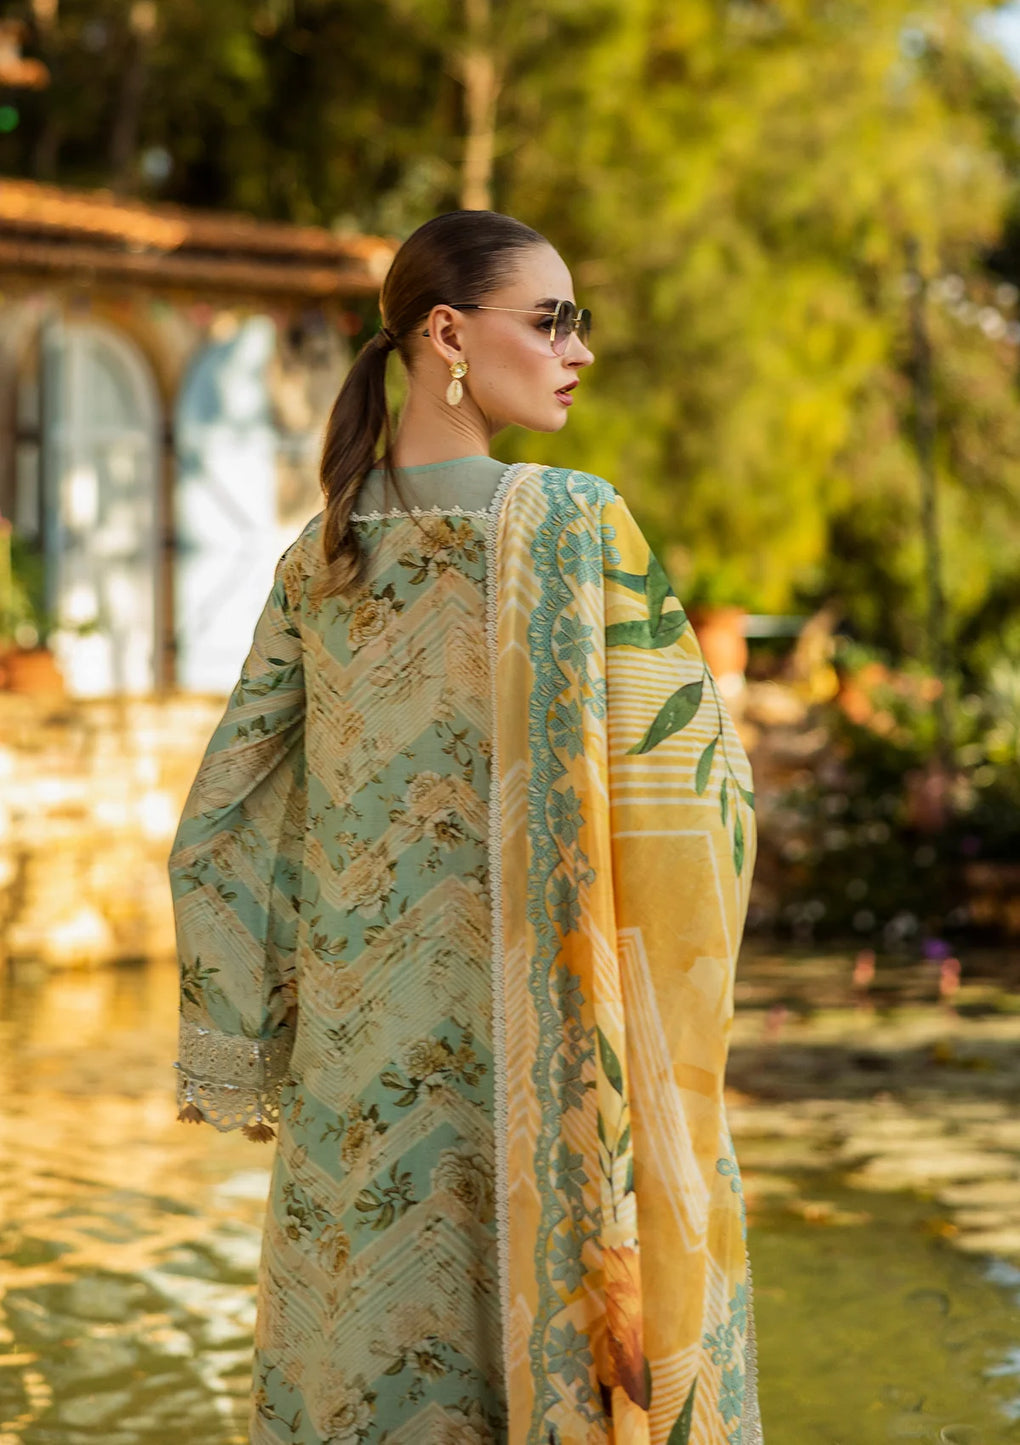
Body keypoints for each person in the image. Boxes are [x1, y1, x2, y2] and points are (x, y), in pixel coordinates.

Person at [168, 209, 763, 1445]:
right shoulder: (577, 527)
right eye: (552, 320)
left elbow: (228, 814)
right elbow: (698, 795)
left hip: (356, 1078)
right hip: (544, 1054)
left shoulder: (317, 555)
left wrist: (256, 1017)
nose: (578, 350)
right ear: (447, 334)